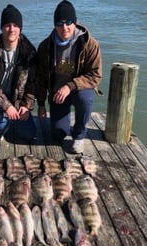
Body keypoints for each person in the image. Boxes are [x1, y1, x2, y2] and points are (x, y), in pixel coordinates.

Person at [36, 0, 102, 153]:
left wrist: (70, 86)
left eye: (69, 22)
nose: (64, 27)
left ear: (75, 22)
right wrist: (40, 104)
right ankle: (63, 125)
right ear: (54, 25)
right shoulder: (45, 47)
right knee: (58, 134)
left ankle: (79, 135)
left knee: (85, 98)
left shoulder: (90, 44)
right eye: (59, 23)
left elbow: (95, 75)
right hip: (57, 93)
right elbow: (40, 78)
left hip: (79, 89)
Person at [0, 4, 37, 144]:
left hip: (18, 101)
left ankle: (7, 122)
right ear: (1, 27)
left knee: (30, 135)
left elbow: (33, 83)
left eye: (15, 25)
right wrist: (7, 106)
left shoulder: (29, 52)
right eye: (7, 25)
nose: (12, 29)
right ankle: (0, 125)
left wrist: (26, 105)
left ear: (20, 28)